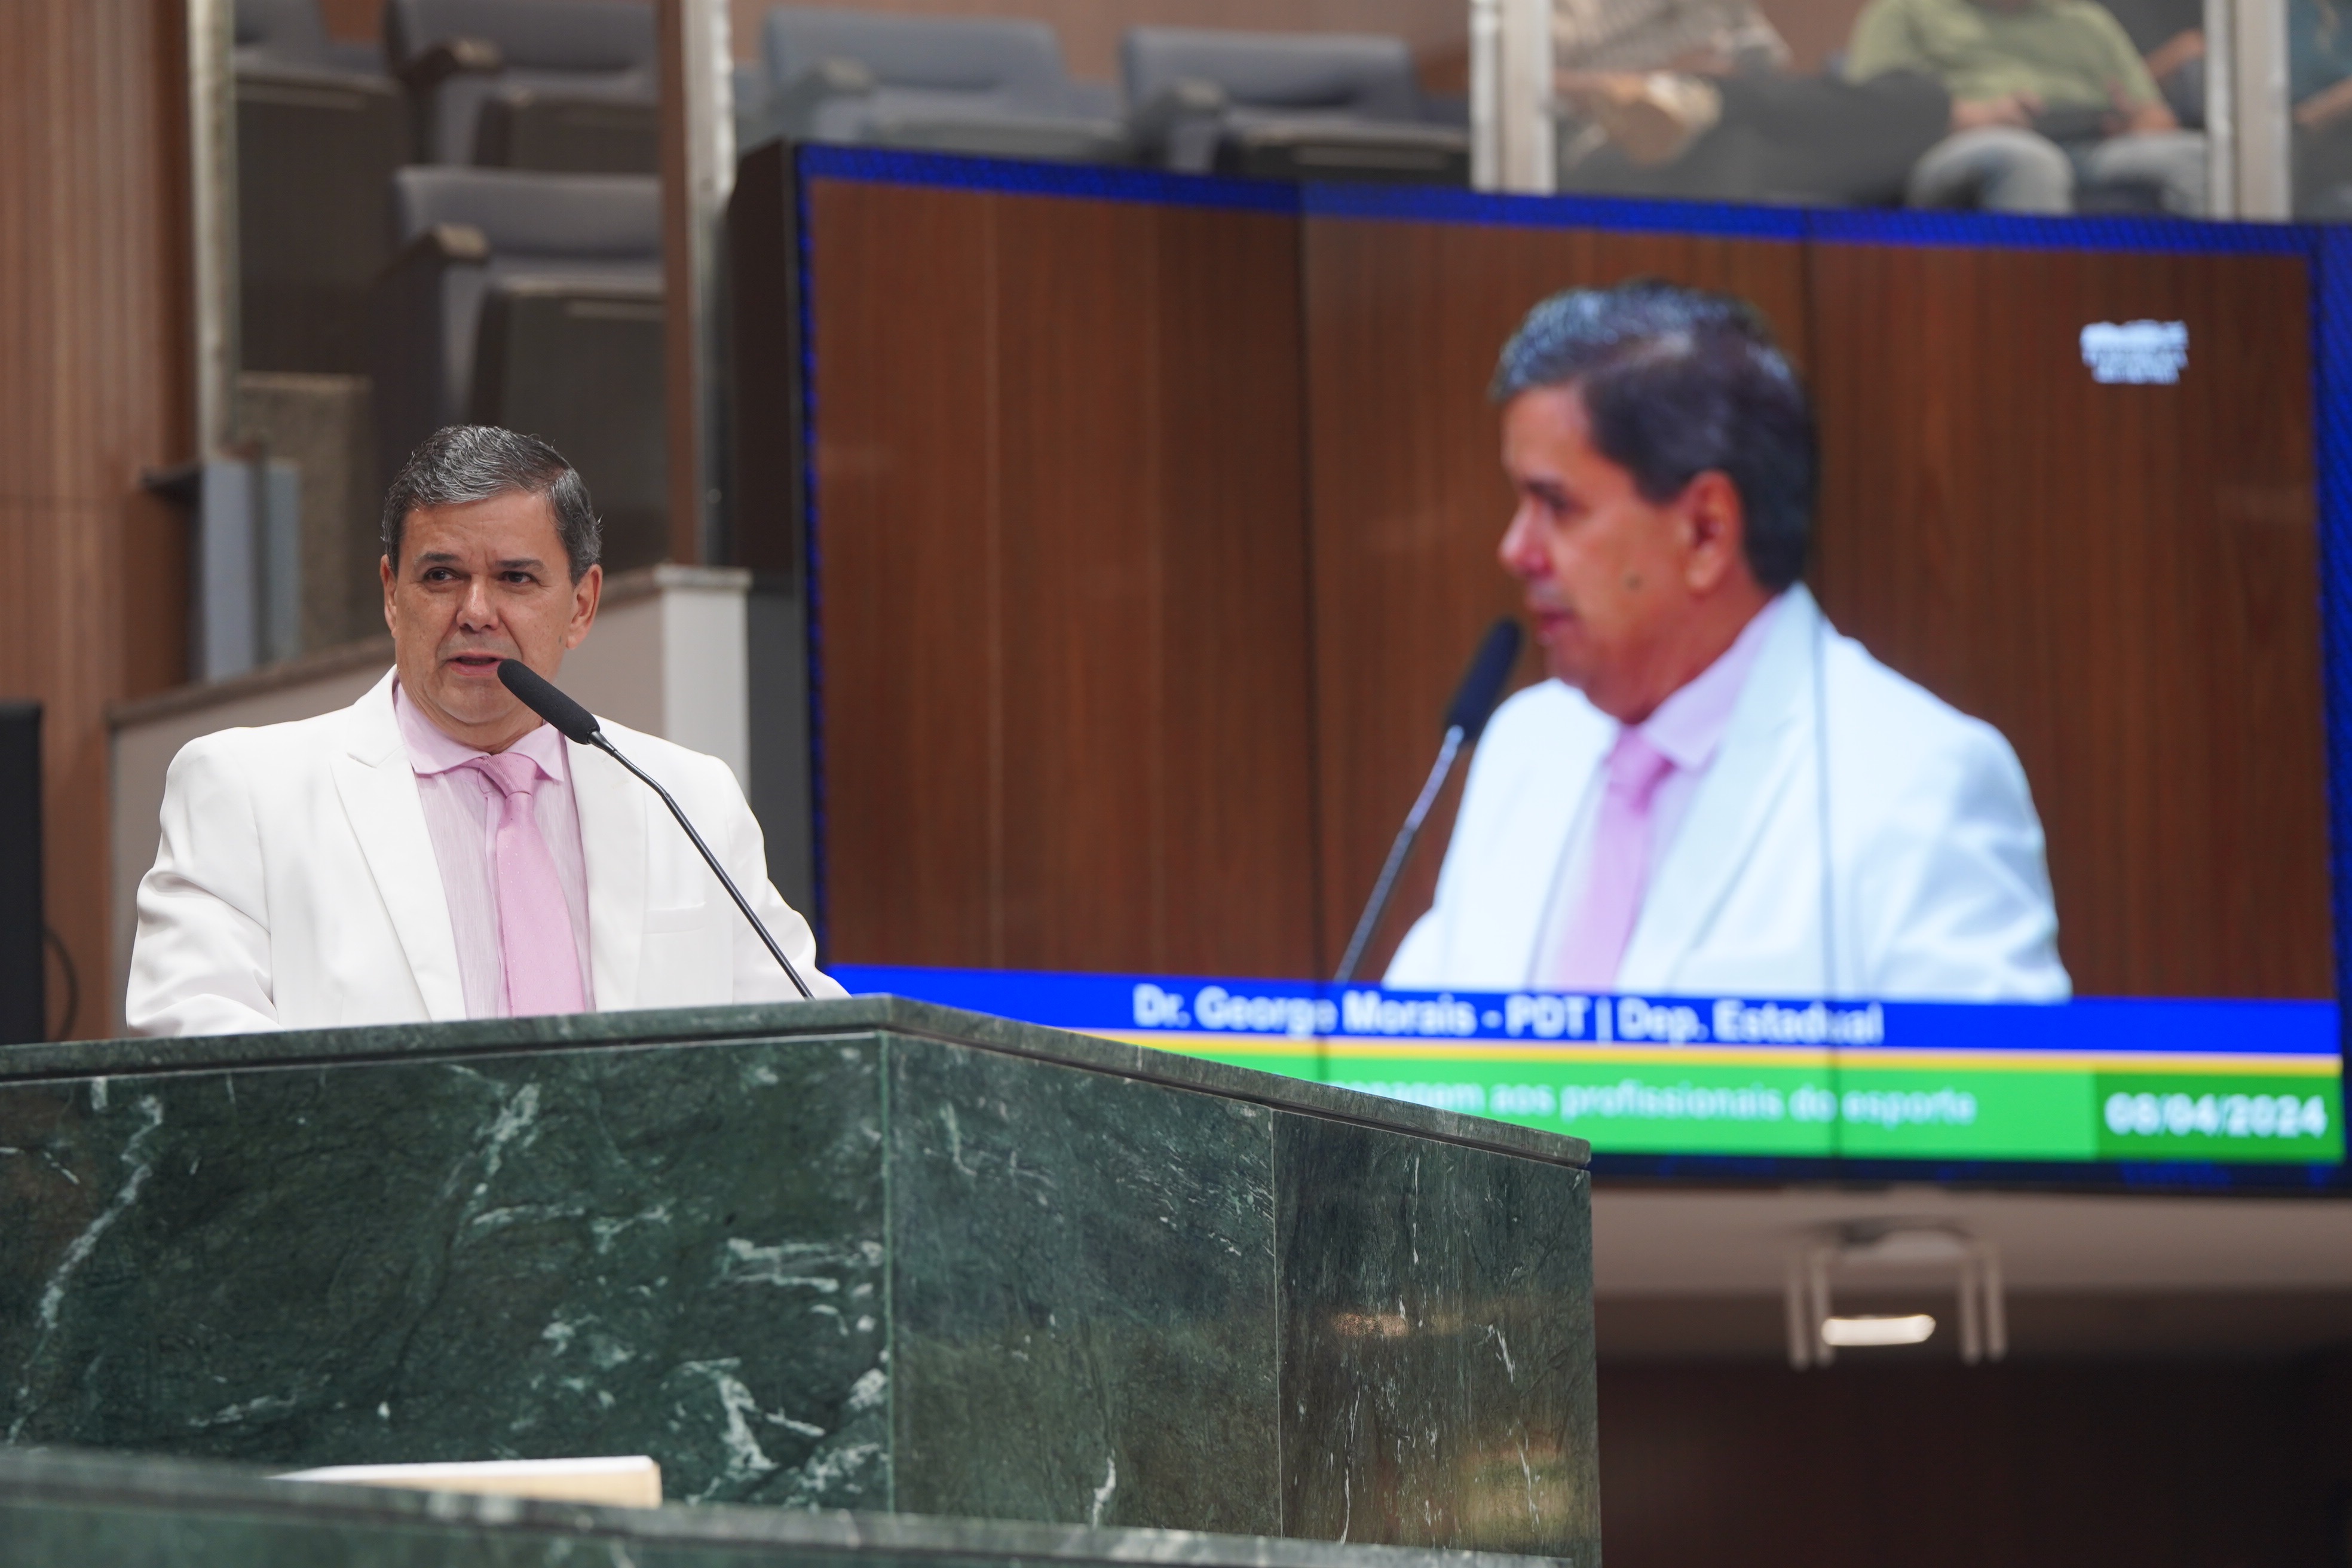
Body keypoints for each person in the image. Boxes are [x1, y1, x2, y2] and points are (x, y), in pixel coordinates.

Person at [1385, 281, 2068, 1000]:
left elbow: (1992, 1077)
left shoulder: (1920, 784)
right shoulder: (1525, 746)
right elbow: (1408, 1048)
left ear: (1706, 531)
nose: (1516, 549)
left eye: (1557, 504)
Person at [127, 425, 841, 1036]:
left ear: (581, 605)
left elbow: (815, 1038)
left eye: (516, 579)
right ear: (392, 595)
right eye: (441, 575)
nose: (475, 611)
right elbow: (200, 1056)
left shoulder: (686, 797)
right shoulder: (247, 793)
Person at [1549, 0, 1953, 205]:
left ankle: (1709, 96)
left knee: (1920, 100)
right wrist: (1658, 81)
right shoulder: (1569, 11)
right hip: (1614, 141)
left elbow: (1773, 79)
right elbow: (1533, 84)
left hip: (1747, 115)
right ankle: (1698, 95)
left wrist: (1730, 80)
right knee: (1730, 146)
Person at [1843, 0, 2207, 215]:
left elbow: (2158, 118)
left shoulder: (2085, 19)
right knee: (2030, 160)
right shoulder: (1906, 11)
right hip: (1962, 143)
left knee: (2195, 156)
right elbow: (1873, 114)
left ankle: (2209, 309)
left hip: (2089, 145)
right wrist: (1979, 117)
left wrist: (2132, 121)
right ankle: (2042, 314)